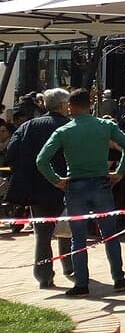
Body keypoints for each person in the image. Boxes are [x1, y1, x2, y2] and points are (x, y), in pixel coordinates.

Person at [36, 88, 125, 295]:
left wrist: (56, 180)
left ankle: (81, 284)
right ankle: (119, 278)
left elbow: (41, 160)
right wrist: (119, 172)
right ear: (90, 105)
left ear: (70, 107)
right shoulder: (105, 125)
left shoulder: (64, 131)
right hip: (102, 184)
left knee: (78, 238)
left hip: (75, 187)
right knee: (110, 235)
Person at [4, 89, 75, 289]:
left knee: (42, 235)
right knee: (68, 228)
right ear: (63, 105)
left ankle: (44, 276)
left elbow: (11, 153)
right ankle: (70, 267)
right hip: (66, 184)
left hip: (37, 188)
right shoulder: (71, 126)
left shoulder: (28, 126)